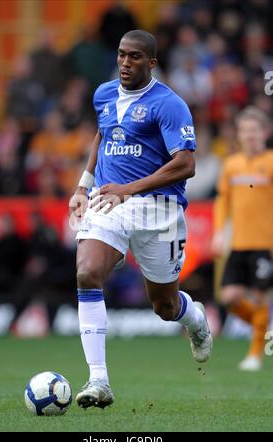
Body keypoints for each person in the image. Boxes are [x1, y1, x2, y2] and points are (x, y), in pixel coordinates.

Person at [69, 30, 213, 409]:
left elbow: (186, 164)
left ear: (151, 63)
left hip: (159, 209)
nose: (125, 64)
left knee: (164, 307)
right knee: (86, 272)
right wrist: (84, 186)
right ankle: (98, 380)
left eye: (134, 57)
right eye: (120, 55)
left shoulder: (169, 104)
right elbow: (102, 135)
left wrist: (129, 188)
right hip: (110, 201)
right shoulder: (103, 93)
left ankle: (194, 318)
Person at [213, 106, 273, 371]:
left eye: (254, 130)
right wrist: (218, 232)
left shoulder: (271, 161)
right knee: (229, 297)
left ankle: (255, 354)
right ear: (238, 134)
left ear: (265, 132)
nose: (249, 135)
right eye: (245, 130)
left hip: (265, 244)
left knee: (260, 298)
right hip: (238, 243)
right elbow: (222, 201)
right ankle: (265, 329)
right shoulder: (231, 165)